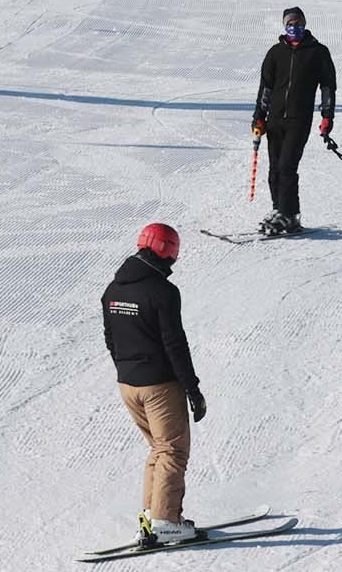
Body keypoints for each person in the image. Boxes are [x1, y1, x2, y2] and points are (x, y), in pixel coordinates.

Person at [102, 223, 208, 549]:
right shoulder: (163, 292)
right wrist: (192, 389)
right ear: (168, 251)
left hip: (128, 385)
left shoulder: (113, 290)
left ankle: (152, 518)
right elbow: (175, 345)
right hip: (160, 386)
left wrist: (128, 369)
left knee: (158, 450)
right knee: (173, 451)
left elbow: (110, 338)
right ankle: (166, 524)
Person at [253, 7, 337, 236]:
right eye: (290, 23)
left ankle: (290, 215)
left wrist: (327, 117)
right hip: (275, 120)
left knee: (287, 167)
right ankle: (279, 210)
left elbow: (328, 87)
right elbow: (266, 89)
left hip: (299, 120)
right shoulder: (275, 53)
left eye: (298, 23)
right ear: (284, 26)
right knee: (274, 170)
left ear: (305, 24)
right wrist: (259, 118)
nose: (294, 27)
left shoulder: (318, 53)